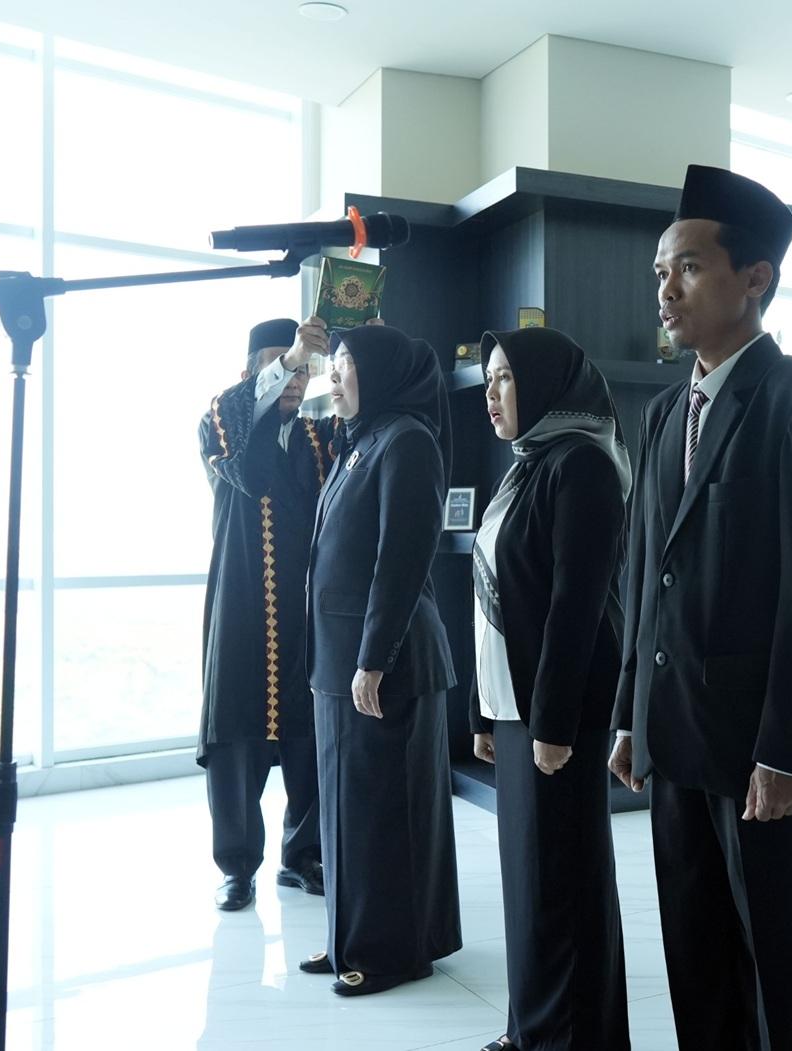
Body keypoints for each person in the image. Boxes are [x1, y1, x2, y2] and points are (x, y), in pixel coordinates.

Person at [609, 164, 792, 1050]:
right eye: (660, 272)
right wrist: (629, 713)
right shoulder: (660, 414)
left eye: (687, 267)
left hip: (762, 748)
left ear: (754, 277)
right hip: (674, 736)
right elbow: (642, 572)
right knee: (698, 959)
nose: (665, 289)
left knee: (783, 969)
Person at [468, 326, 633, 1051]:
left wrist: (554, 723)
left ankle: (571, 1036)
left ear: (544, 384)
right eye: (488, 379)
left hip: (556, 711)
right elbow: (494, 597)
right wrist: (485, 712)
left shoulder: (582, 465)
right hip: (518, 705)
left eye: (505, 377)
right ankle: (531, 1028)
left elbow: (577, 605)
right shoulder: (528, 464)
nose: (492, 393)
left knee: (563, 882)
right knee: (529, 883)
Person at [299, 323, 463, 997]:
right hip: (339, 660)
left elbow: (403, 558)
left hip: (386, 660)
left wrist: (373, 658)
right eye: (333, 364)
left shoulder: (407, 441)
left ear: (383, 374)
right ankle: (352, 936)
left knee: (385, 812)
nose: (333, 377)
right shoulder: (360, 442)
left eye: (345, 365)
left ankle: (391, 952)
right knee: (347, 809)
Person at [196, 317, 333, 911]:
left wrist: (368, 342)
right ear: (251, 372)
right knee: (235, 736)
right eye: (282, 365)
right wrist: (291, 357)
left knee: (310, 736)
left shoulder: (318, 439)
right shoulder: (221, 422)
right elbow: (248, 471)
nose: (295, 377)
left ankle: (302, 856)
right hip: (240, 605)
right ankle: (236, 867)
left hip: (306, 609)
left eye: (302, 368)